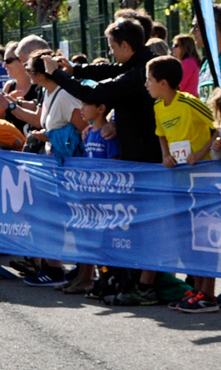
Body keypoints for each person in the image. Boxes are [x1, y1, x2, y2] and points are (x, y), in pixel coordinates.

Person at [141, 56, 216, 309]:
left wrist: (200, 152)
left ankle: (208, 294)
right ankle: (197, 290)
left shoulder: (190, 103)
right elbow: (162, 135)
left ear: (164, 83)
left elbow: (217, 126)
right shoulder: (159, 107)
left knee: (204, 234)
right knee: (190, 234)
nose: (146, 84)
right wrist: (165, 156)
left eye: (149, 80)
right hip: (179, 180)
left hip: (202, 178)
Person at [43, 19, 160, 163]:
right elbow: (108, 69)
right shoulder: (139, 63)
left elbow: (93, 93)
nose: (110, 53)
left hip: (147, 157)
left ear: (124, 46)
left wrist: (56, 73)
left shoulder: (141, 72)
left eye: (112, 47)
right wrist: (74, 70)